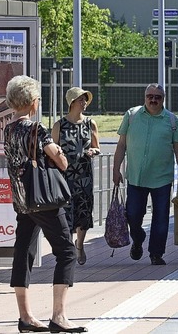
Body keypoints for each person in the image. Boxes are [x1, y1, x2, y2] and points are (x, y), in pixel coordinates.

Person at [3, 75, 87, 333]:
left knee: (23, 254)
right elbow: (60, 160)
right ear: (31, 103)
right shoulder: (36, 129)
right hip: (45, 200)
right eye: (37, 98)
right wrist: (59, 155)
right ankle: (59, 317)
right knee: (67, 252)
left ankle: (25, 317)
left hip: (22, 199)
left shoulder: (8, 129)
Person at [112, 83, 178, 265]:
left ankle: (156, 253)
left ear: (163, 99)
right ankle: (137, 239)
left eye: (158, 97)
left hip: (161, 178)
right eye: (150, 96)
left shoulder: (171, 121)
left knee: (160, 218)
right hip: (136, 177)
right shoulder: (131, 116)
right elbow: (121, 144)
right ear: (145, 97)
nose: (153, 100)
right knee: (132, 215)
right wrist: (116, 169)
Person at [52, 87, 100, 266]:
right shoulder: (60, 125)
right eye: (81, 100)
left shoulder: (90, 123)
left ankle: (80, 245)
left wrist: (92, 151)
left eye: (85, 100)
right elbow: (52, 150)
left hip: (85, 176)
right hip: (65, 176)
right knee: (65, 212)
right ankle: (69, 247)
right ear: (72, 103)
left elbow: (97, 147)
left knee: (84, 211)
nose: (84, 103)